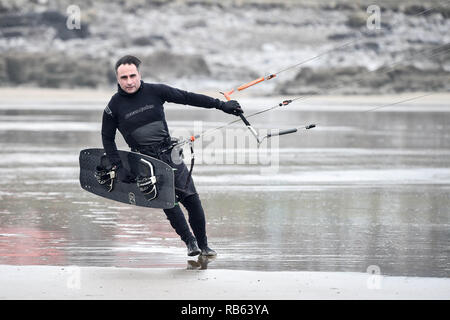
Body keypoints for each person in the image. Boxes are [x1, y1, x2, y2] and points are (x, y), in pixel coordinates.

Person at [101, 55, 243, 257]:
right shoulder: (113, 106)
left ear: (139, 74)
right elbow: (107, 137)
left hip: (169, 153)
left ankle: (204, 245)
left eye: (133, 75)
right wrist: (117, 165)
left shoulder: (156, 91)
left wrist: (221, 105)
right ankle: (190, 243)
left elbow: (187, 97)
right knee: (169, 203)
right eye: (124, 78)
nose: (129, 81)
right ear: (117, 79)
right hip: (145, 162)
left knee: (192, 200)